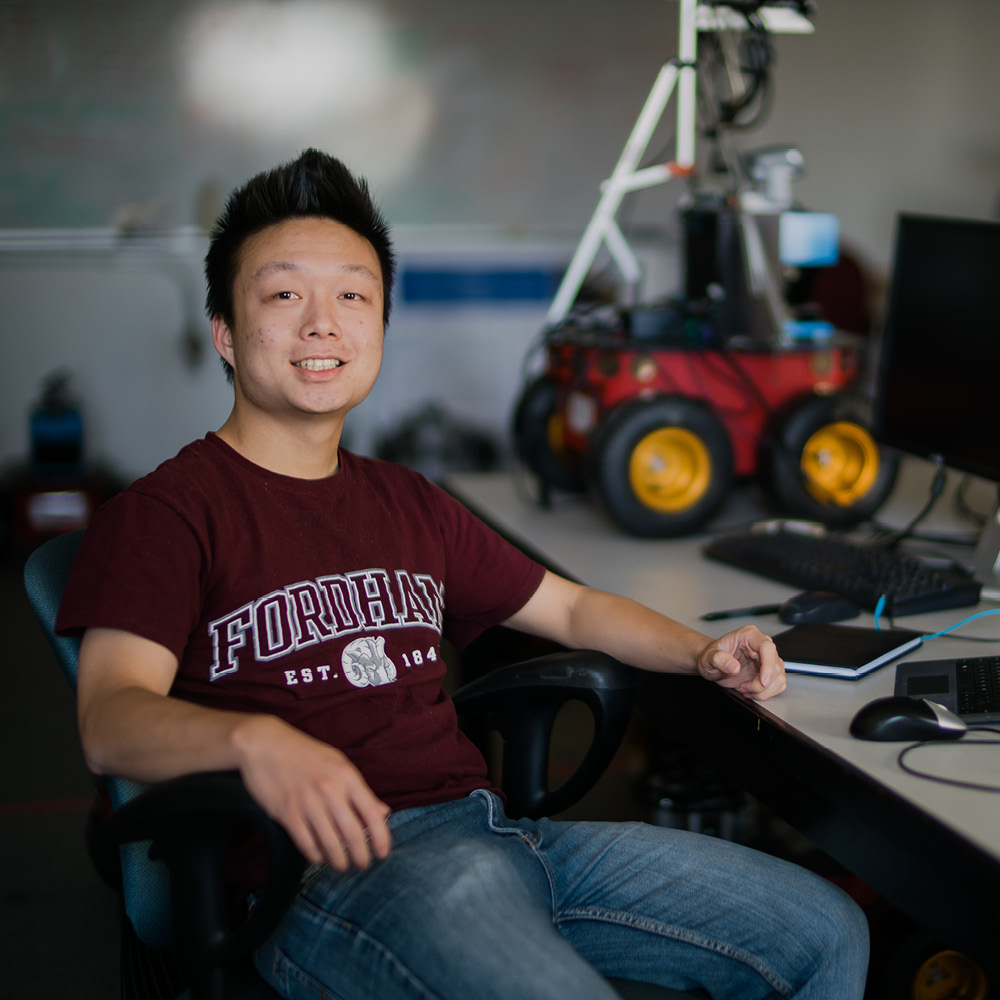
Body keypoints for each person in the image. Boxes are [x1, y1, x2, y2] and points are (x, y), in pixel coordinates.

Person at [57, 148, 868, 1000]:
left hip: (503, 842)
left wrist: (700, 652)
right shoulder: (168, 511)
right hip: (332, 875)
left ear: (380, 325)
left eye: (354, 296)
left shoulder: (408, 500)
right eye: (285, 294)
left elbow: (578, 611)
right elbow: (112, 719)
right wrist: (254, 741)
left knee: (822, 933)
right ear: (226, 330)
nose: (323, 323)